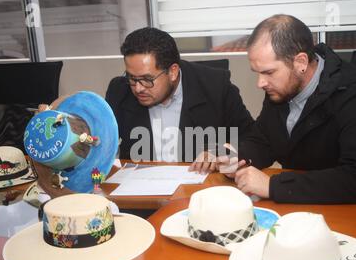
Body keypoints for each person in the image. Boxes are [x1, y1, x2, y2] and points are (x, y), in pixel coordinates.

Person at [218, 14, 356, 204]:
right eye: (257, 73)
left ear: (301, 63)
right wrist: (239, 157)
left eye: (269, 72)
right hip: (298, 205)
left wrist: (273, 186)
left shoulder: (353, 92)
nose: (260, 83)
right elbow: (264, 140)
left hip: (348, 212)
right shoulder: (281, 88)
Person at [105, 27, 256, 174]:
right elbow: (101, 142)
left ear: (173, 72)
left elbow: (252, 139)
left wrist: (221, 151)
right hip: (139, 191)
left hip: (199, 189)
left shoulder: (216, 87)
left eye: (147, 79)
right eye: (132, 77)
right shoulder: (119, 91)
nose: (138, 88)